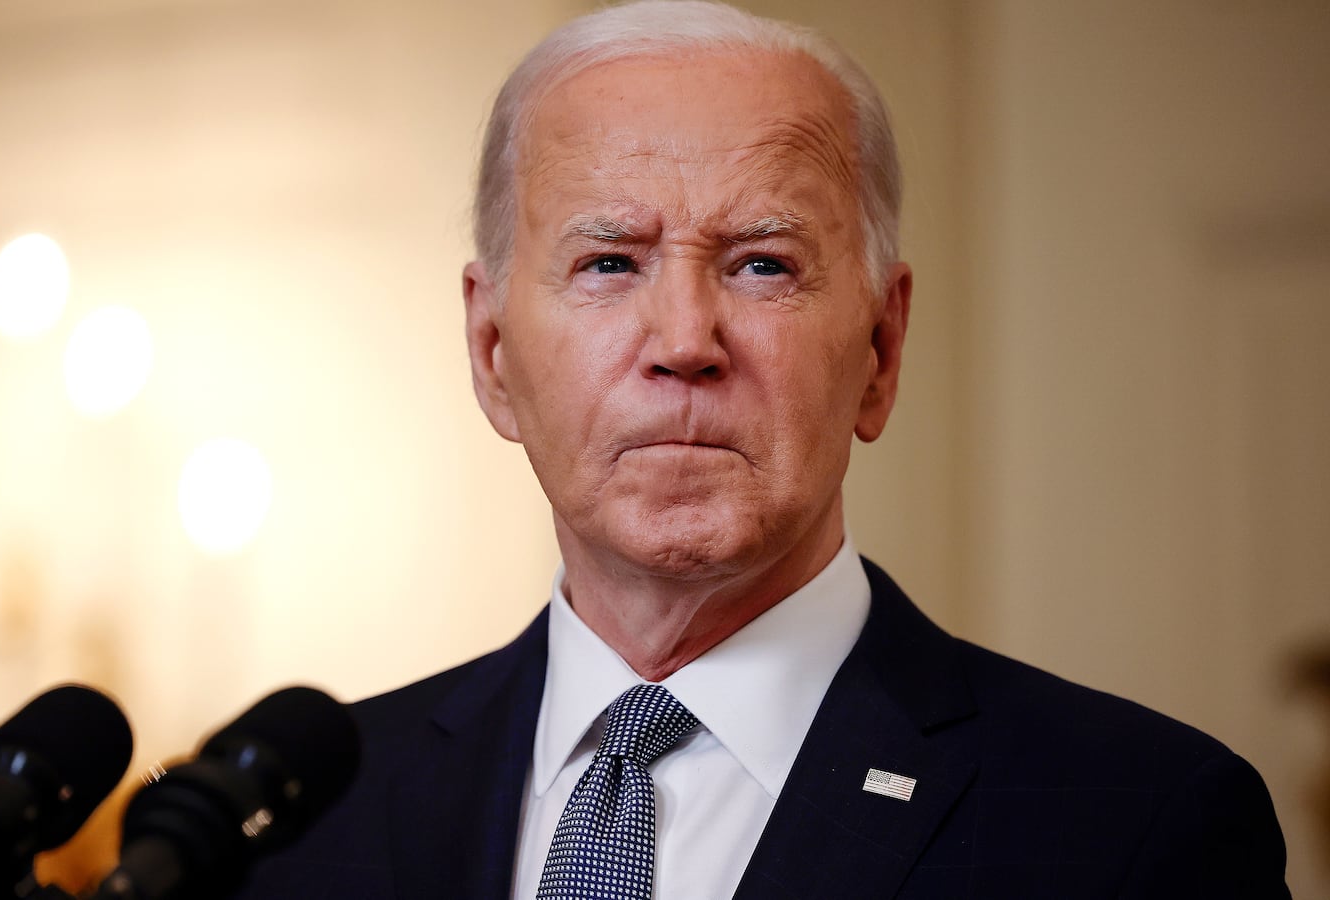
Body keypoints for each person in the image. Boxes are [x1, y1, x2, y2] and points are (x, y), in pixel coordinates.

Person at [238, 1, 1290, 897]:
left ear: (880, 350)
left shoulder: (1136, 828)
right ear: (491, 351)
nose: (685, 341)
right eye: (610, 262)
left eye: (762, 266)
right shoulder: (290, 829)